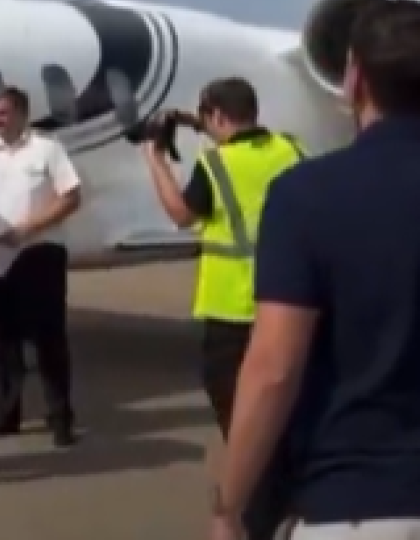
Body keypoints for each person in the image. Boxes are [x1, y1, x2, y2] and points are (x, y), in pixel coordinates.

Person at [211, 0, 420, 540]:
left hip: (358, 504)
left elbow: (274, 367)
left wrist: (229, 506)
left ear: (354, 81)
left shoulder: (307, 195)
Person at [143, 77, 305, 540]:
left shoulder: (215, 165)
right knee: (292, 411)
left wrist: (155, 159)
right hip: (292, 303)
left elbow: (181, 214)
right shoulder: (291, 149)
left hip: (234, 313)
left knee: (245, 429)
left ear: (216, 116)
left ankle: (258, 516)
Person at [0, 87, 82, 447]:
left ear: (23, 113)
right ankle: (6, 414)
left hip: (39, 253)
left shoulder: (48, 149)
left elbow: (70, 197)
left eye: (4, 113)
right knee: (1, 340)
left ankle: (61, 418)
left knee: (49, 340)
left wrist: (28, 228)